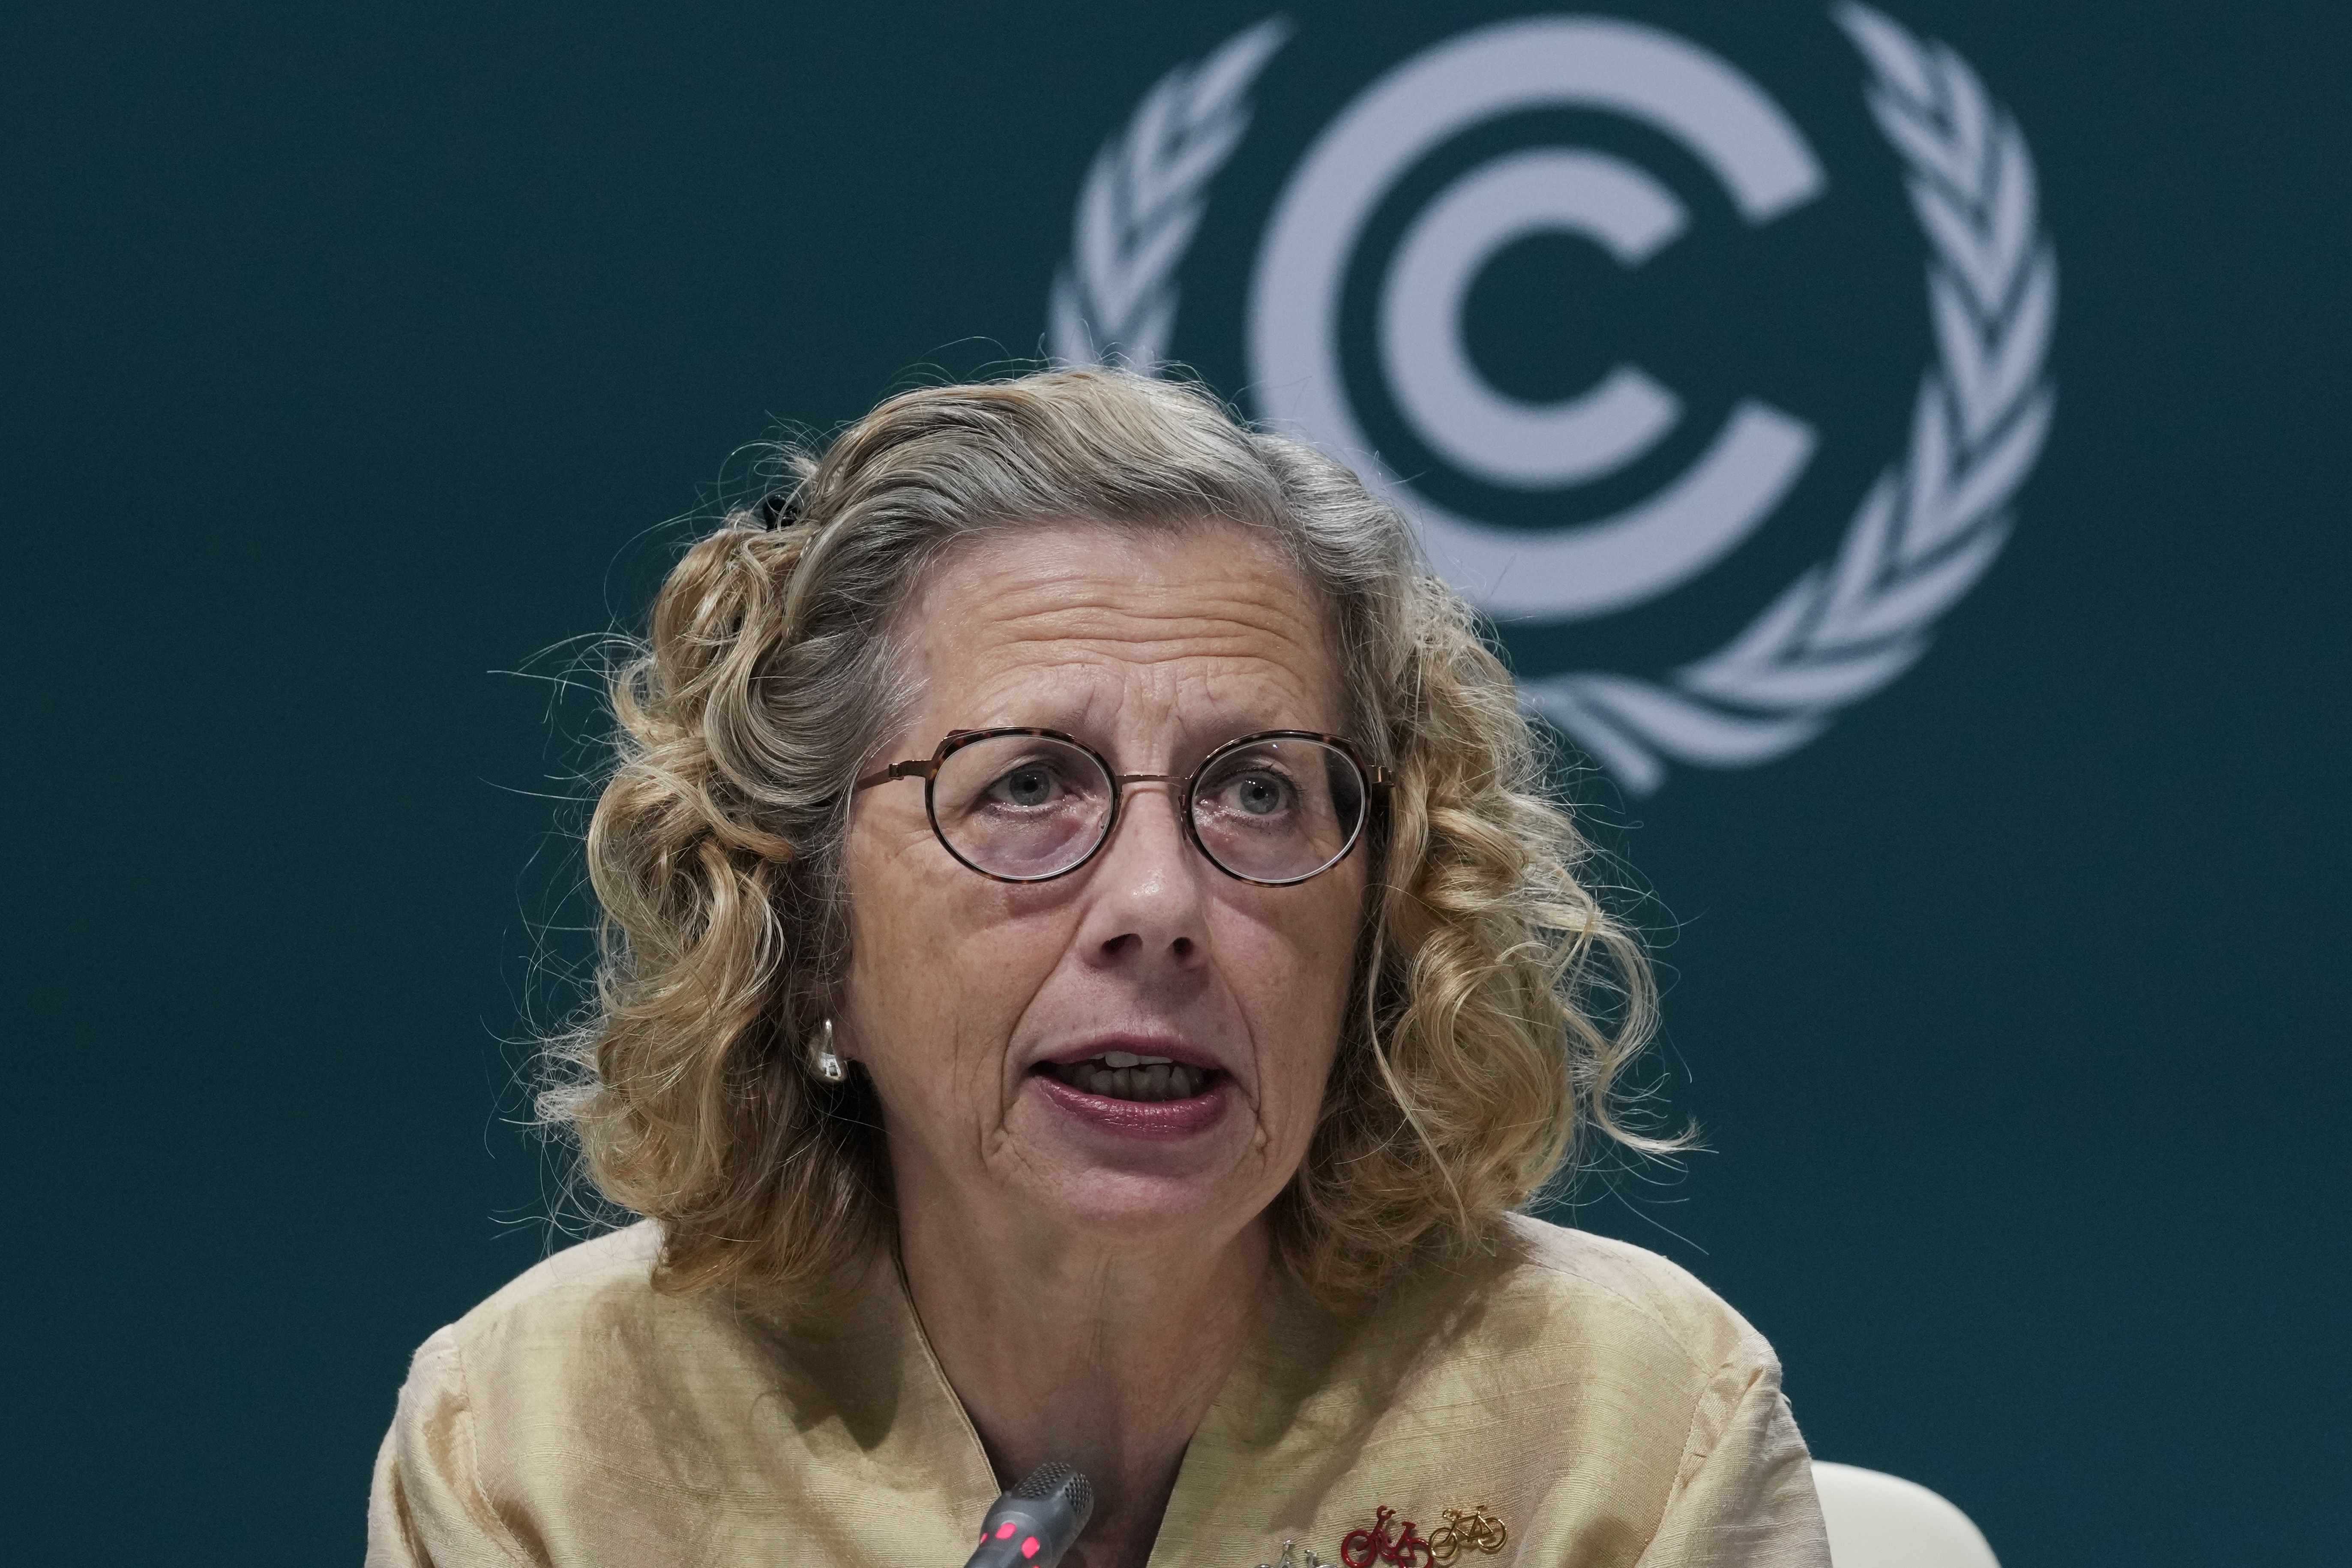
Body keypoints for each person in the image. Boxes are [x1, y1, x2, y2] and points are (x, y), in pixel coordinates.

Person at [366, 370, 1830, 1568]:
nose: (1156, 900)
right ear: (803, 932)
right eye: (1024, 786)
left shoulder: (1625, 1423)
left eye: (1259, 789)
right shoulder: (536, 1445)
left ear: (1381, 919)